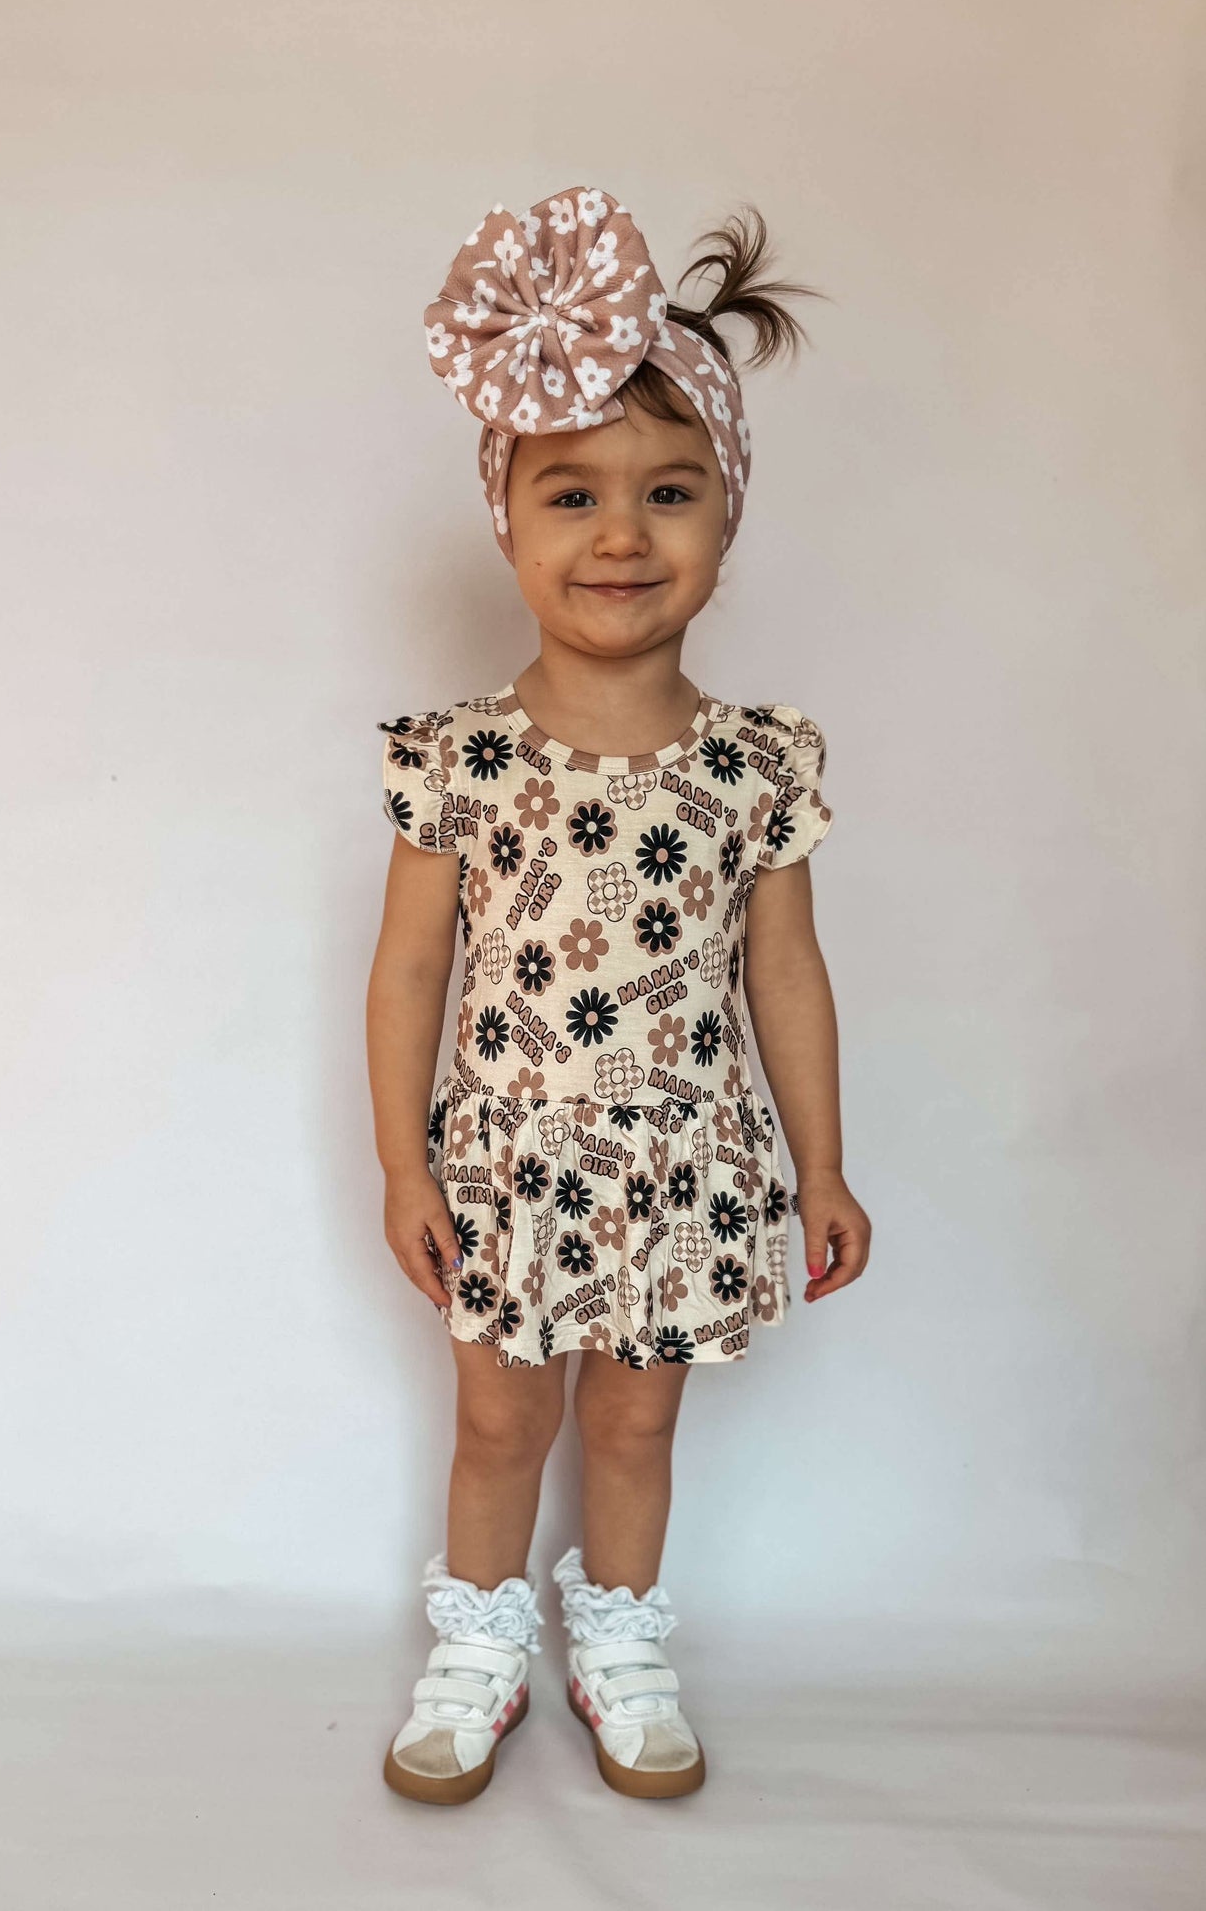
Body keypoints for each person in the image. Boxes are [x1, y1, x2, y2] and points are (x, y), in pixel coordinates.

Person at [367, 184, 871, 1805]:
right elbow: (411, 965)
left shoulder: (753, 764)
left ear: (725, 516)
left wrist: (822, 1162)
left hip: (681, 1168)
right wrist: (400, 1163)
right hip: (506, 1168)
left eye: (667, 492)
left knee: (636, 1432)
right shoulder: (461, 756)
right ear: (505, 522)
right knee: (499, 1425)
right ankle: (477, 1647)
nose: (618, 535)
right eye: (570, 492)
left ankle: (621, 1644)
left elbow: (783, 966)